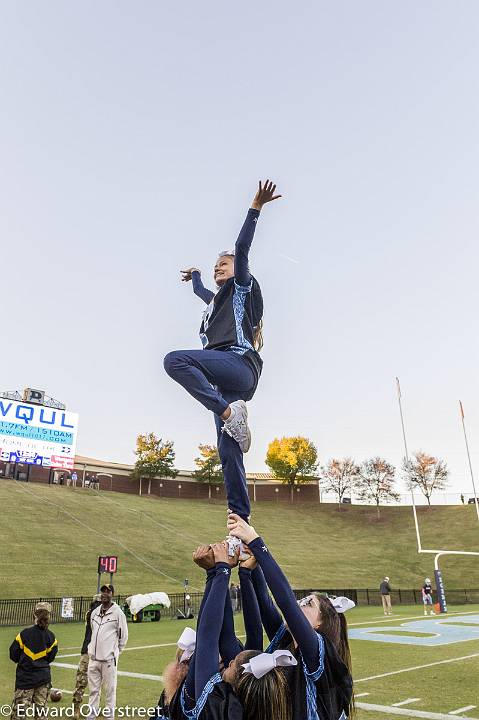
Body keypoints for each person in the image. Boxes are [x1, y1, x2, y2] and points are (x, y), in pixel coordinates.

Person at [164, 180, 281, 522]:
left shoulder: (241, 288)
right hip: (227, 383)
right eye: (217, 265)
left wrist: (255, 207)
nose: (220, 268)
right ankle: (240, 520)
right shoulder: (215, 301)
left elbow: (241, 250)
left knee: (175, 360)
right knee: (228, 450)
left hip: (239, 363)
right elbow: (201, 290)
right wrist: (197, 275)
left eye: (223, 265)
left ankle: (230, 414)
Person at [227, 514, 354, 720]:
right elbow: (265, 604)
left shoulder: (317, 652)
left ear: (320, 624)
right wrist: (250, 566)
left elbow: (285, 601)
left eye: (308, 604)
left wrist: (256, 541)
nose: (299, 604)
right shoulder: (288, 643)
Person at [169, 541, 296, 720]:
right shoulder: (243, 701)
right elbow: (243, 635)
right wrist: (242, 574)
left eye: (232, 663)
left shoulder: (213, 706)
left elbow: (208, 637)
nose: (228, 661)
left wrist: (219, 572)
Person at [9, 602, 58, 720]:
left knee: (19, 715)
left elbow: (13, 654)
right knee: (41, 715)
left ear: (34, 615)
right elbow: (50, 658)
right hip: (43, 680)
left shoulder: (23, 634)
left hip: (25, 680)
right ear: (48, 617)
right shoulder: (51, 637)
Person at [86, 584, 128, 720]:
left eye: (108, 592)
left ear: (112, 594)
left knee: (110, 691)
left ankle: (109, 717)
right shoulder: (94, 613)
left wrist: (115, 652)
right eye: (103, 591)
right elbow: (93, 631)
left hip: (109, 661)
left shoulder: (118, 613)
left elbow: (123, 636)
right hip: (94, 660)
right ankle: (91, 716)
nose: (105, 594)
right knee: (93, 691)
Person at [72, 594, 102, 719]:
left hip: (92, 652)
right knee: (91, 682)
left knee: (83, 682)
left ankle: (78, 709)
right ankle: (79, 709)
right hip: (94, 653)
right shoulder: (93, 614)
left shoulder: (89, 613)